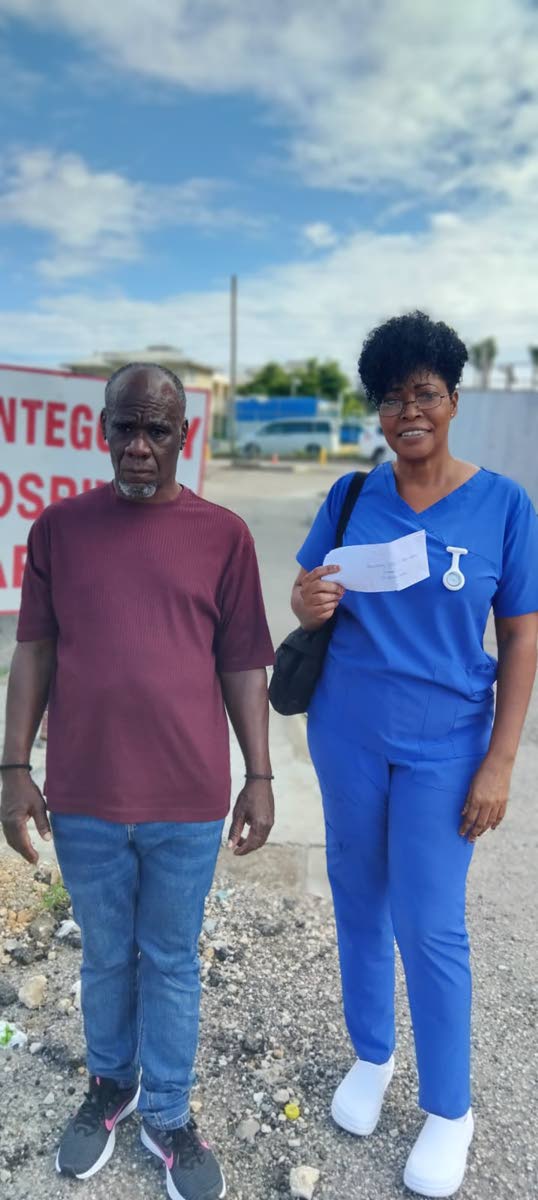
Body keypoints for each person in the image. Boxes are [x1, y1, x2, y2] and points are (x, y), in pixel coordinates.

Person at [1, 363, 275, 1200]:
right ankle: (110, 1085)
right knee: (106, 954)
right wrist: (14, 766)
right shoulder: (58, 531)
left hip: (188, 798)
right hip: (83, 793)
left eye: (159, 430)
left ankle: (167, 1111)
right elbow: (35, 651)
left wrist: (258, 774)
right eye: (127, 427)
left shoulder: (223, 535)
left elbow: (242, 663)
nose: (141, 446)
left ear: (183, 438)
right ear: (102, 431)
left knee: (169, 959)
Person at [291, 312, 538, 1198]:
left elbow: (519, 639)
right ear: (380, 411)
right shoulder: (354, 496)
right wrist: (310, 596)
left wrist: (501, 761)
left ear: (454, 400)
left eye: (425, 392)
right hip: (348, 733)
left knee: (430, 925)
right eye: (393, 397)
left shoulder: (504, 505)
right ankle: (372, 1056)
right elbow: (306, 586)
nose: (409, 410)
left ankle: (450, 1109)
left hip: (446, 747)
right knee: (358, 899)